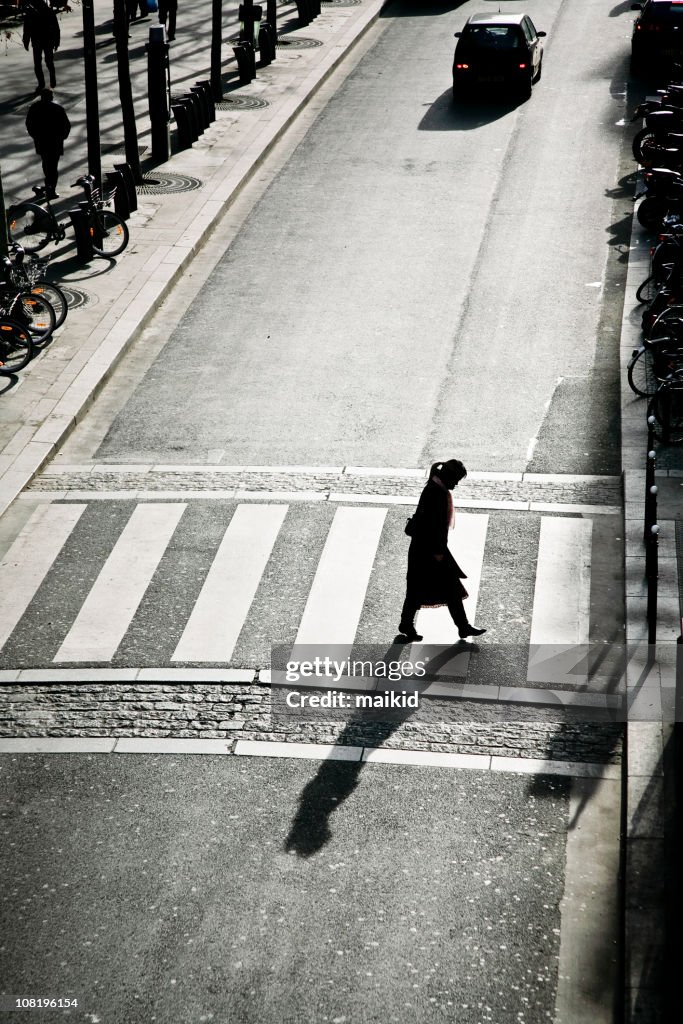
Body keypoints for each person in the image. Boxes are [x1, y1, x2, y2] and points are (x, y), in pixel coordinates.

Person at [398, 459, 487, 643]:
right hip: (429, 551)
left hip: (427, 549)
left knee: (436, 588)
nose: (456, 484)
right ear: (448, 476)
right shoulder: (435, 493)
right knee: (435, 588)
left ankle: (461, 626)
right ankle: (461, 627)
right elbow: (432, 526)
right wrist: (438, 552)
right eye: (455, 480)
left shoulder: (435, 488)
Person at [25, 89, 71, 199]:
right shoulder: (58, 109)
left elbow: (29, 124)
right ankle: (51, 189)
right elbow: (66, 125)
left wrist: (36, 136)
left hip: (42, 142)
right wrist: (62, 137)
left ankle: (48, 184)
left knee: (46, 163)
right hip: (55, 142)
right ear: (51, 97)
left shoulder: (34, 108)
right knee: (53, 166)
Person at [23, 0, 61, 93]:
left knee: (40, 63)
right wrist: (56, 42)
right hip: (45, 40)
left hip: (40, 41)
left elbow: (27, 29)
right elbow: (56, 28)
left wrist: (26, 40)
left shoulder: (31, 13)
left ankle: (43, 83)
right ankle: (49, 82)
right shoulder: (47, 12)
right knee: (47, 62)